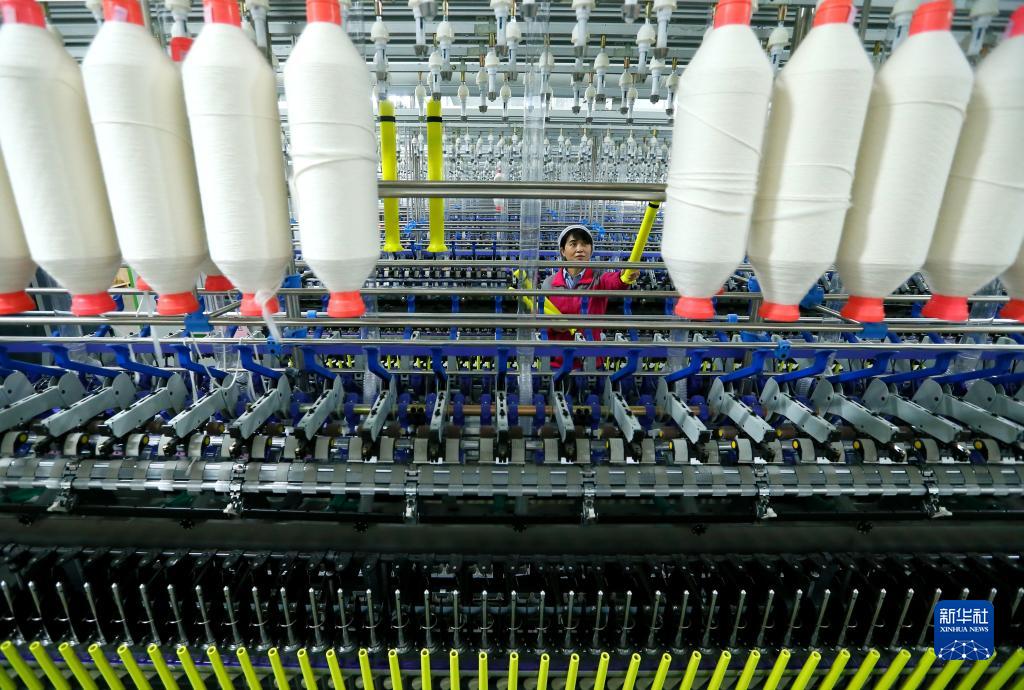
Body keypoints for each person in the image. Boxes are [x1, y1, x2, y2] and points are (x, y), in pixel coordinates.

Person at [542, 224, 639, 365]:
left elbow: (615, 281)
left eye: (584, 244)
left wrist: (625, 276)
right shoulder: (549, 284)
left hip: (590, 361)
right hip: (557, 361)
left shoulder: (598, 279)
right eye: (573, 244)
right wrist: (552, 326)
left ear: (591, 249)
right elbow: (541, 317)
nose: (579, 249)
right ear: (563, 251)